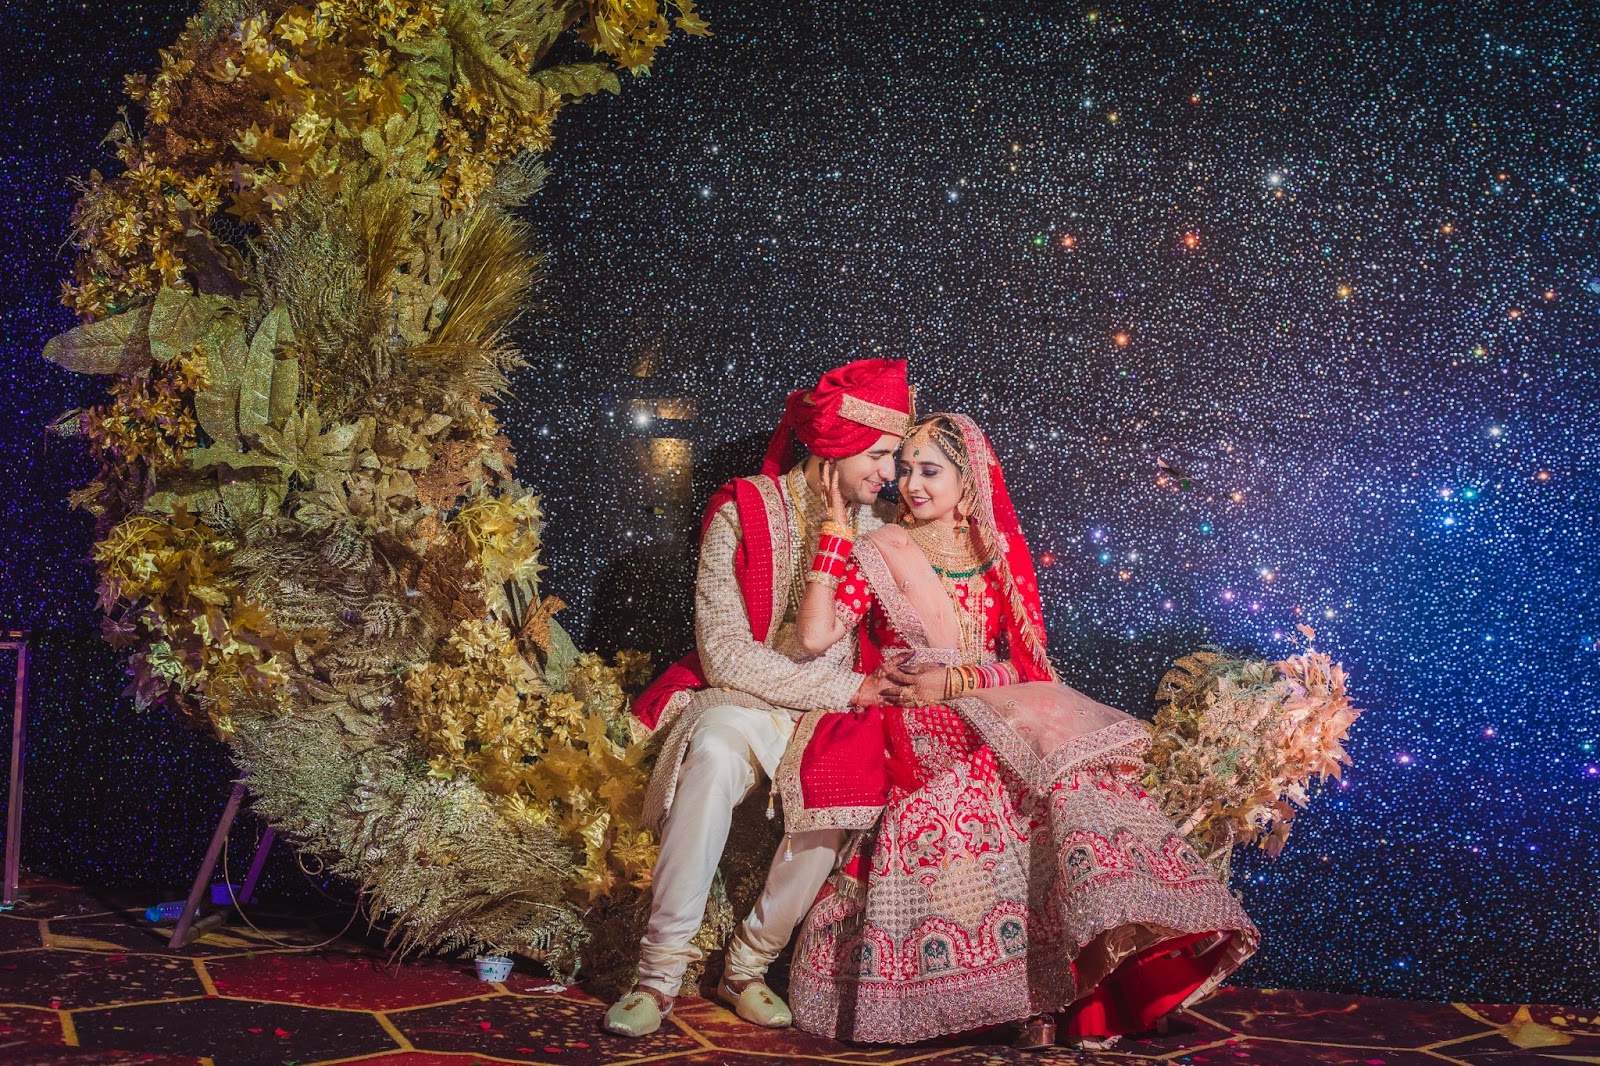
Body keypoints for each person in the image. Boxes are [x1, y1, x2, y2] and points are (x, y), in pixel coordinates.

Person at [779, 413, 1259, 1049]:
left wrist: (963, 681)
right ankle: (1008, 999)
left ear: (968, 480)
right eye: (907, 470)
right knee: (987, 789)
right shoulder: (879, 550)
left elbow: (1026, 661)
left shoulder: (993, 556)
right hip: (913, 720)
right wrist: (836, 533)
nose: (912, 485)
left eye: (930, 471)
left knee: (1066, 778)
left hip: (992, 706)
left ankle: (1083, 986)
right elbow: (813, 638)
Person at [603, 359, 914, 1037]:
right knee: (715, 749)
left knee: (846, 782)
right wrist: (844, 686)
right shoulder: (739, 509)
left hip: (832, 716)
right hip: (745, 700)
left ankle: (747, 966)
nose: (891, 473)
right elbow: (726, 656)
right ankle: (657, 975)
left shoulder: (882, 530)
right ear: (841, 438)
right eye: (885, 453)